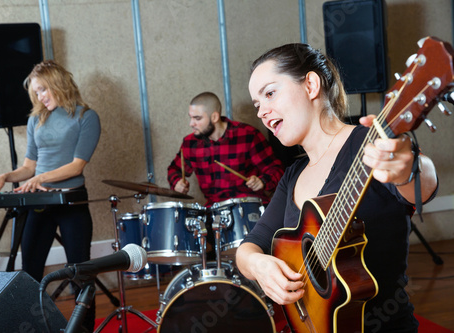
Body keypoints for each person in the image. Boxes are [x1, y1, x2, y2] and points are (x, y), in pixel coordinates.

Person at [236, 43, 438, 332]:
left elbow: (421, 181)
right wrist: (258, 266)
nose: (262, 112)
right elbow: (249, 247)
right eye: (257, 105)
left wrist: (409, 168)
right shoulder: (293, 175)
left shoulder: (371, 145)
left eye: (270, 93)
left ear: (310, 85)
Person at [0, 60, 101, 332]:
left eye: (44, 90)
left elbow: (77, 166)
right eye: (36, 93)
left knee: (80, 274)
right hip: (39, 203)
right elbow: (29, 167)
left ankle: (84, 330)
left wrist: (40, 178)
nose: (40, 97)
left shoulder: (86, 117)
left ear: (59, 84)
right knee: (30, 273)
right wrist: (6, 177)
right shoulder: (36, 119)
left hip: (71, 201)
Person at [167, 91, 284, 207]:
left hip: (250, 205)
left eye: (197, 118)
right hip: (214, 210)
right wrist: (177, 182)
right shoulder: (190, 143)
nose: (191, 123)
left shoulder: (248, 135)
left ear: (214, 117)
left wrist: (262, 181)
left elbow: (276, 169)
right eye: (191, 118)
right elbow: (174, 169)